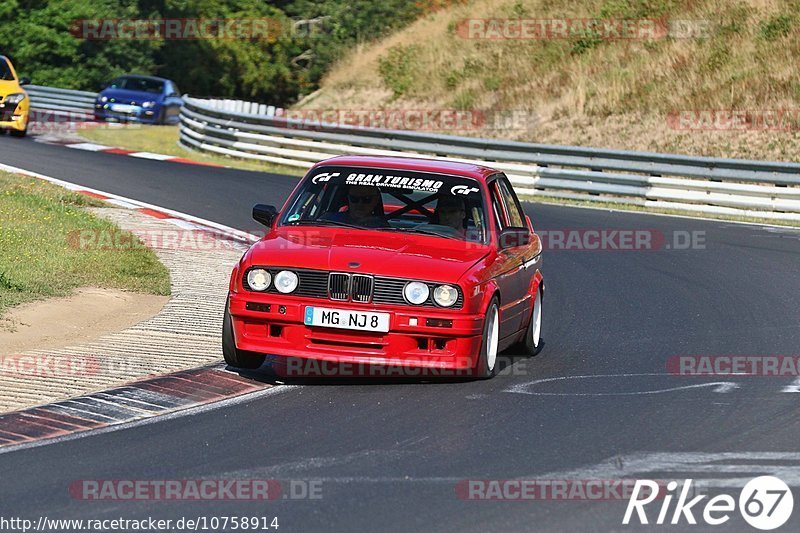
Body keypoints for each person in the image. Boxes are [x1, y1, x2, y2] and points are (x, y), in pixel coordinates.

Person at [323, 185, 388, 227]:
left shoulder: (383, 227)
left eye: (366, 199)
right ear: (348, 199)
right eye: (354, 199)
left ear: (375, 200)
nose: (360, 204)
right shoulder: (328, 220)